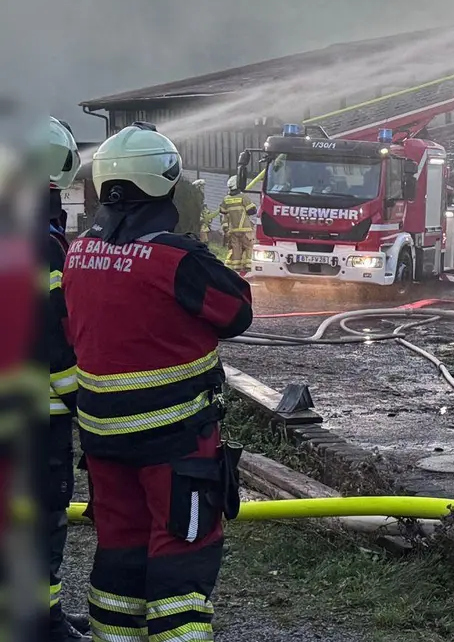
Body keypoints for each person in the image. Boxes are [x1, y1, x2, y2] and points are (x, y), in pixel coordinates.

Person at [62, 123, 252, 642]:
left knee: (120, 547)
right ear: (165, 181)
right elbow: (236, 311)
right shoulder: (178, 260)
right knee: (181, 550)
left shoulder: (78, 252)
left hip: (102, 437)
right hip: (174, 438)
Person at [31, 117, 90, 640]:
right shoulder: (41, 242)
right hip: (38, 414)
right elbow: (52, 333)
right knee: (44, 515)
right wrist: (82, 402)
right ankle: (41, 620)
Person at [219, 176, 257, 272]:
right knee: (249, 246)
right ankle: (248, 265)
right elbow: (252, 210)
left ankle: (236, 267)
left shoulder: (226, 199)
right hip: (245, 228)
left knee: (236, 248)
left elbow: (222, 212)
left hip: (233, 229)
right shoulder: (243, 197)